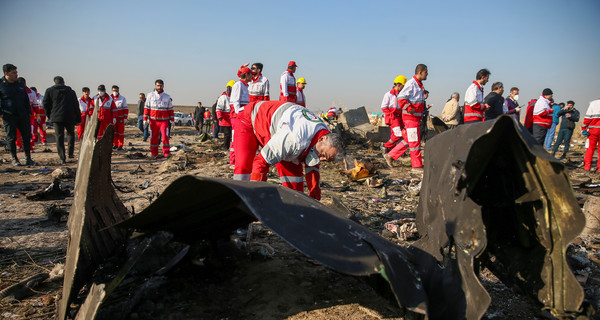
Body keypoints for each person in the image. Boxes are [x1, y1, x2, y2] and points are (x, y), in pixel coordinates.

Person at [234, 100, 343, 200]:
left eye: (326, 159)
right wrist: (256, 198)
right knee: (244, 166)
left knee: (295, 185)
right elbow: (260, 163)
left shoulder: (324, 133)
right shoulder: (293, 139)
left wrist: (315, 192)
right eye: (323, 155)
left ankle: (295, 209)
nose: (321, 159)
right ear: (321, 139)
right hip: (249, 118)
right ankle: (239, 199)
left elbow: (313, 165)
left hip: (279, 127)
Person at [0, 64, 35, 166]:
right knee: (11, 137)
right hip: (9, 115)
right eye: (13, 73)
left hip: (23, 115)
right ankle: (14, 158)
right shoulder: (1, 84)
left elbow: (26, 99)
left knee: (26, 136)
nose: (16, 75)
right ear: (6, 74)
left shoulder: (20, 84)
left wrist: (29, 113)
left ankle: (28, 158)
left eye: (16, 72)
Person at [42, 76, 80, 164]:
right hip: (70, 116)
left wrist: (50, 115)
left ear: (54, 82)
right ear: (64, 82)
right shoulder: (71, 91)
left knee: (59, 137)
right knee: (70, 134)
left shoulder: (50, 91)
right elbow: (76, 105)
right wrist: (78, 118)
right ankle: (70, 153)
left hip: (56, 117)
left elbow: (45, 104)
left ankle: (62, 157)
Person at [398, 64, 428, 170]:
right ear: (420, 72)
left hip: (415, 118)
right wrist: (409, 108)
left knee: (409, 140)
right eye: (426, 72)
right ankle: (416, 165)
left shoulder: (418, 85)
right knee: (414, 141)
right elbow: (401, 98)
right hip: (410, 117)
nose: (427, 74)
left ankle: (391, 155)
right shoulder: (412, 83)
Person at [380, 75, 408, 167]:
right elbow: (384, 107)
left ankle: (389, 154)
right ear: (399, 85)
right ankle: (386, 147)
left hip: (400, 117)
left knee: (395, 135)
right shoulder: (389, 94)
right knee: (398, 135)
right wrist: (391, 115)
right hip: (393, 117)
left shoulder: (401, 95)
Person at [143, 79, 173, 158]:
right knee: (153, 137)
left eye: (161, 85)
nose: (159, 87)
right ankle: (154, 153)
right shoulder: (150, 95)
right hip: (153, 121)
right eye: (158, 85)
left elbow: (170, 109)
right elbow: (146, 108)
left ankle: (166, 153)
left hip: (164, 121)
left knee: (165, 137)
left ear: (163, 86)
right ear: (155, 86)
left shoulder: (167, 97)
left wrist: (172, 120)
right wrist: (145, 119)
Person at [230, 65, 252, 167]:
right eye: (250, 74)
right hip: (237, 116)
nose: (252, 76)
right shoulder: (238, 85)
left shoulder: (246, 86)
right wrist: (239, 113)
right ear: (246, 75)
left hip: (243, 115)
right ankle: (233, 161)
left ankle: (238, 160)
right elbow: (235, 101)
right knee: (235, 139)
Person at [582, 99, 600, 173]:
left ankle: (587, 167)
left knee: (590, 149)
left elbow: (587, 117)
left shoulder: (593, 103)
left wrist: (584, 128)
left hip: (593, 130)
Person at [216, 80, 234, 150]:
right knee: (227, 134)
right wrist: (219, 116)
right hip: (225, 119)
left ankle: (229, 146)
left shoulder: (233, 97)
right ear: (229, 88)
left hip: (231, 118)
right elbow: (218, 108)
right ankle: (225, 147)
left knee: (231, 134)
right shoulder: (223, 97)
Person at [110, 85, 127, 150]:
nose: (115, 92)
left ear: (118, 90)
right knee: (114, 132)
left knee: (120, 132)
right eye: (114, 90)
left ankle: (120, 145)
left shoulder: (122, 98)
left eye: (116, 90)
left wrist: (125, 117)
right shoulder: (109, 98)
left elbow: (125, 109)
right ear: (112, 90)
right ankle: (115, 144)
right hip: (112, 119)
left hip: (120, 119)